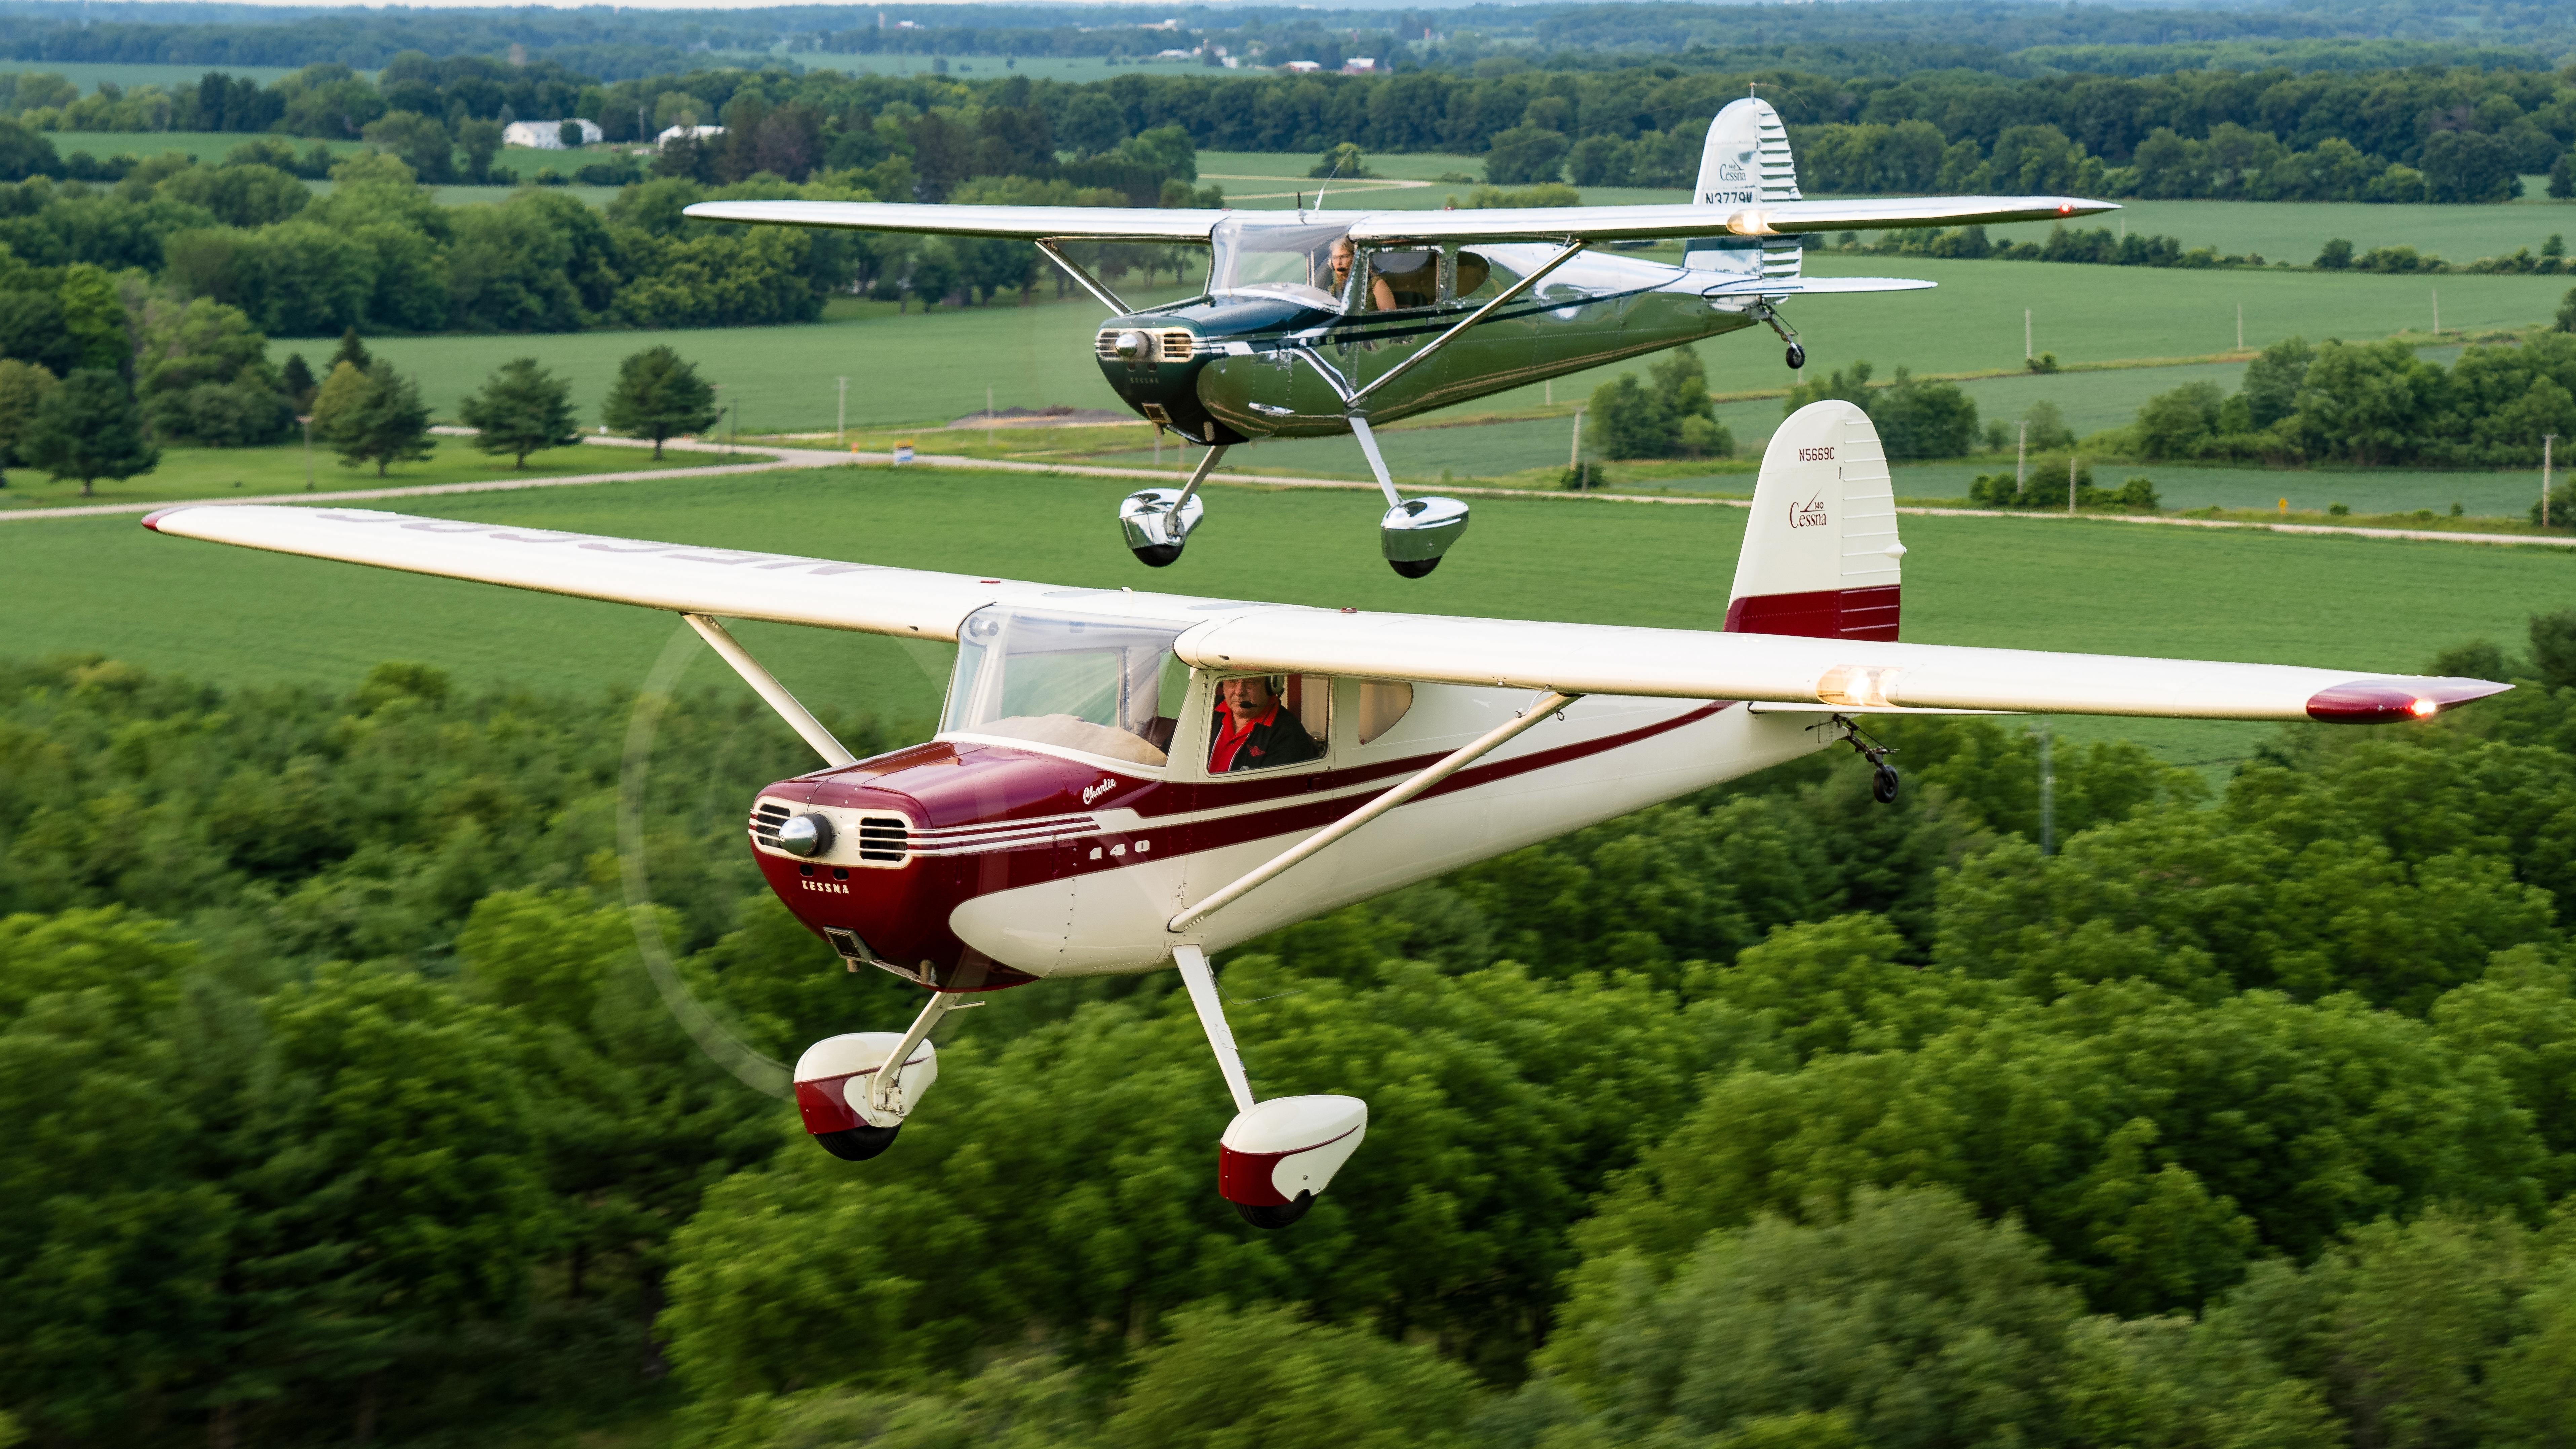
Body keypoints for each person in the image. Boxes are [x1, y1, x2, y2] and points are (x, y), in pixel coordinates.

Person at [1209, 675, 1321, 772]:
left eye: (1251, 682)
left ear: (1271, 686)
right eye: (1232, 681)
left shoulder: (1289, 733)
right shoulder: (1207, 708)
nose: (1239, 692)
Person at [1328, 237, 1398, 312]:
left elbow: (1390, 320)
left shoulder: (1377, 284)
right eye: (1335, 258)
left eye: (1344, 257)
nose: (1339, 263)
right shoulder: (1335, 289)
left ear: (1356, 258)